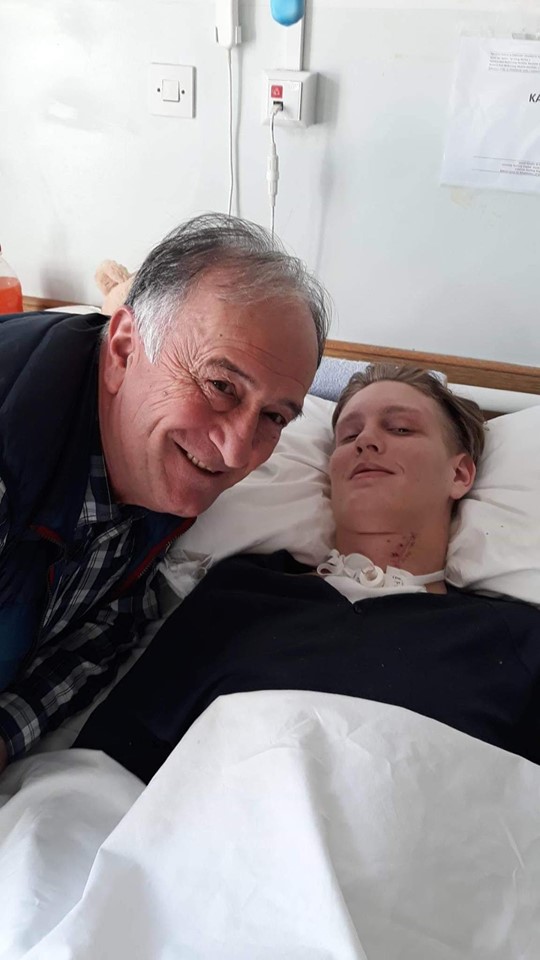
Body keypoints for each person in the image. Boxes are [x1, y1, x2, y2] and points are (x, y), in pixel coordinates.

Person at [75, 363, 540, 782]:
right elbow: (111, 767)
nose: (366, 441)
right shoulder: (241, 596)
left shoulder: (514, 641)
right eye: (348, 436)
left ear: (460, 475)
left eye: (401, 428)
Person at [0, 213, 329, 772]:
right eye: (220, 385)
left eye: (274, 416)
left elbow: (111, 622)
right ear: (124, 348)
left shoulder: (160, 466)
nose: (236, 453)